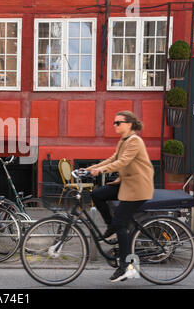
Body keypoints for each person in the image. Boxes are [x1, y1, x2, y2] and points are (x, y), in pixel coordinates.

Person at [85, 110, 154, 282]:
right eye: (114, 122)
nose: (115, 125)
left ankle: (127, 267)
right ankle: (111, 228)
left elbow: (122, 162)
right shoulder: (123, 140)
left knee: (121, 223)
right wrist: (89, 169)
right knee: (97, 194)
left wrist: (100, 170)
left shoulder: (135, 141)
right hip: (126, 184)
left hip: (137, 188)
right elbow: (113, 158)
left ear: (129, 124)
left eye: (118, 122)